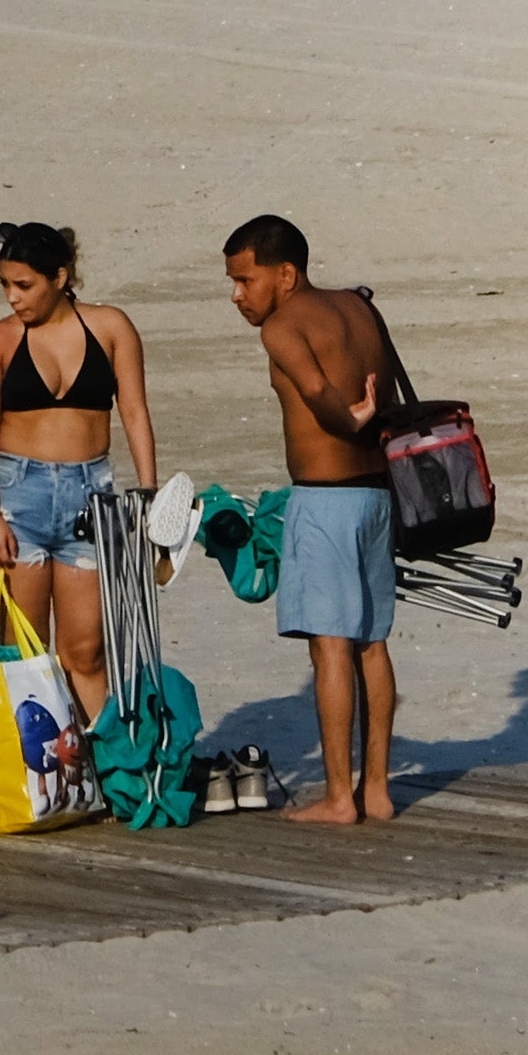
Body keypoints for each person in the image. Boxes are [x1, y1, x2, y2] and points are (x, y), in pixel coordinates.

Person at [219, 214, 403, 827]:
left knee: (330, 650)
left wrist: (348, 420)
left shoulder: (281, 325)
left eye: (246, 280)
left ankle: (338, 797)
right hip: (376, 496)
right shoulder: (358, 307)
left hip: (323, 500)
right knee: (371, 645)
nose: (237, 295)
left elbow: (319, 389)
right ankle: (376, 790)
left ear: (286, 274)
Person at [0, 220, 161, 691]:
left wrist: (149, 494)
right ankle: (36, 766)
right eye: (6, 286)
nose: (12, 298)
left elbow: (134, 412)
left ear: (60, 277)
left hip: (92, 499)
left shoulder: (111, 326)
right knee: (26, 657)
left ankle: (89, 764)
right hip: (19, 502)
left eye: (24, 285)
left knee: (86, 654)